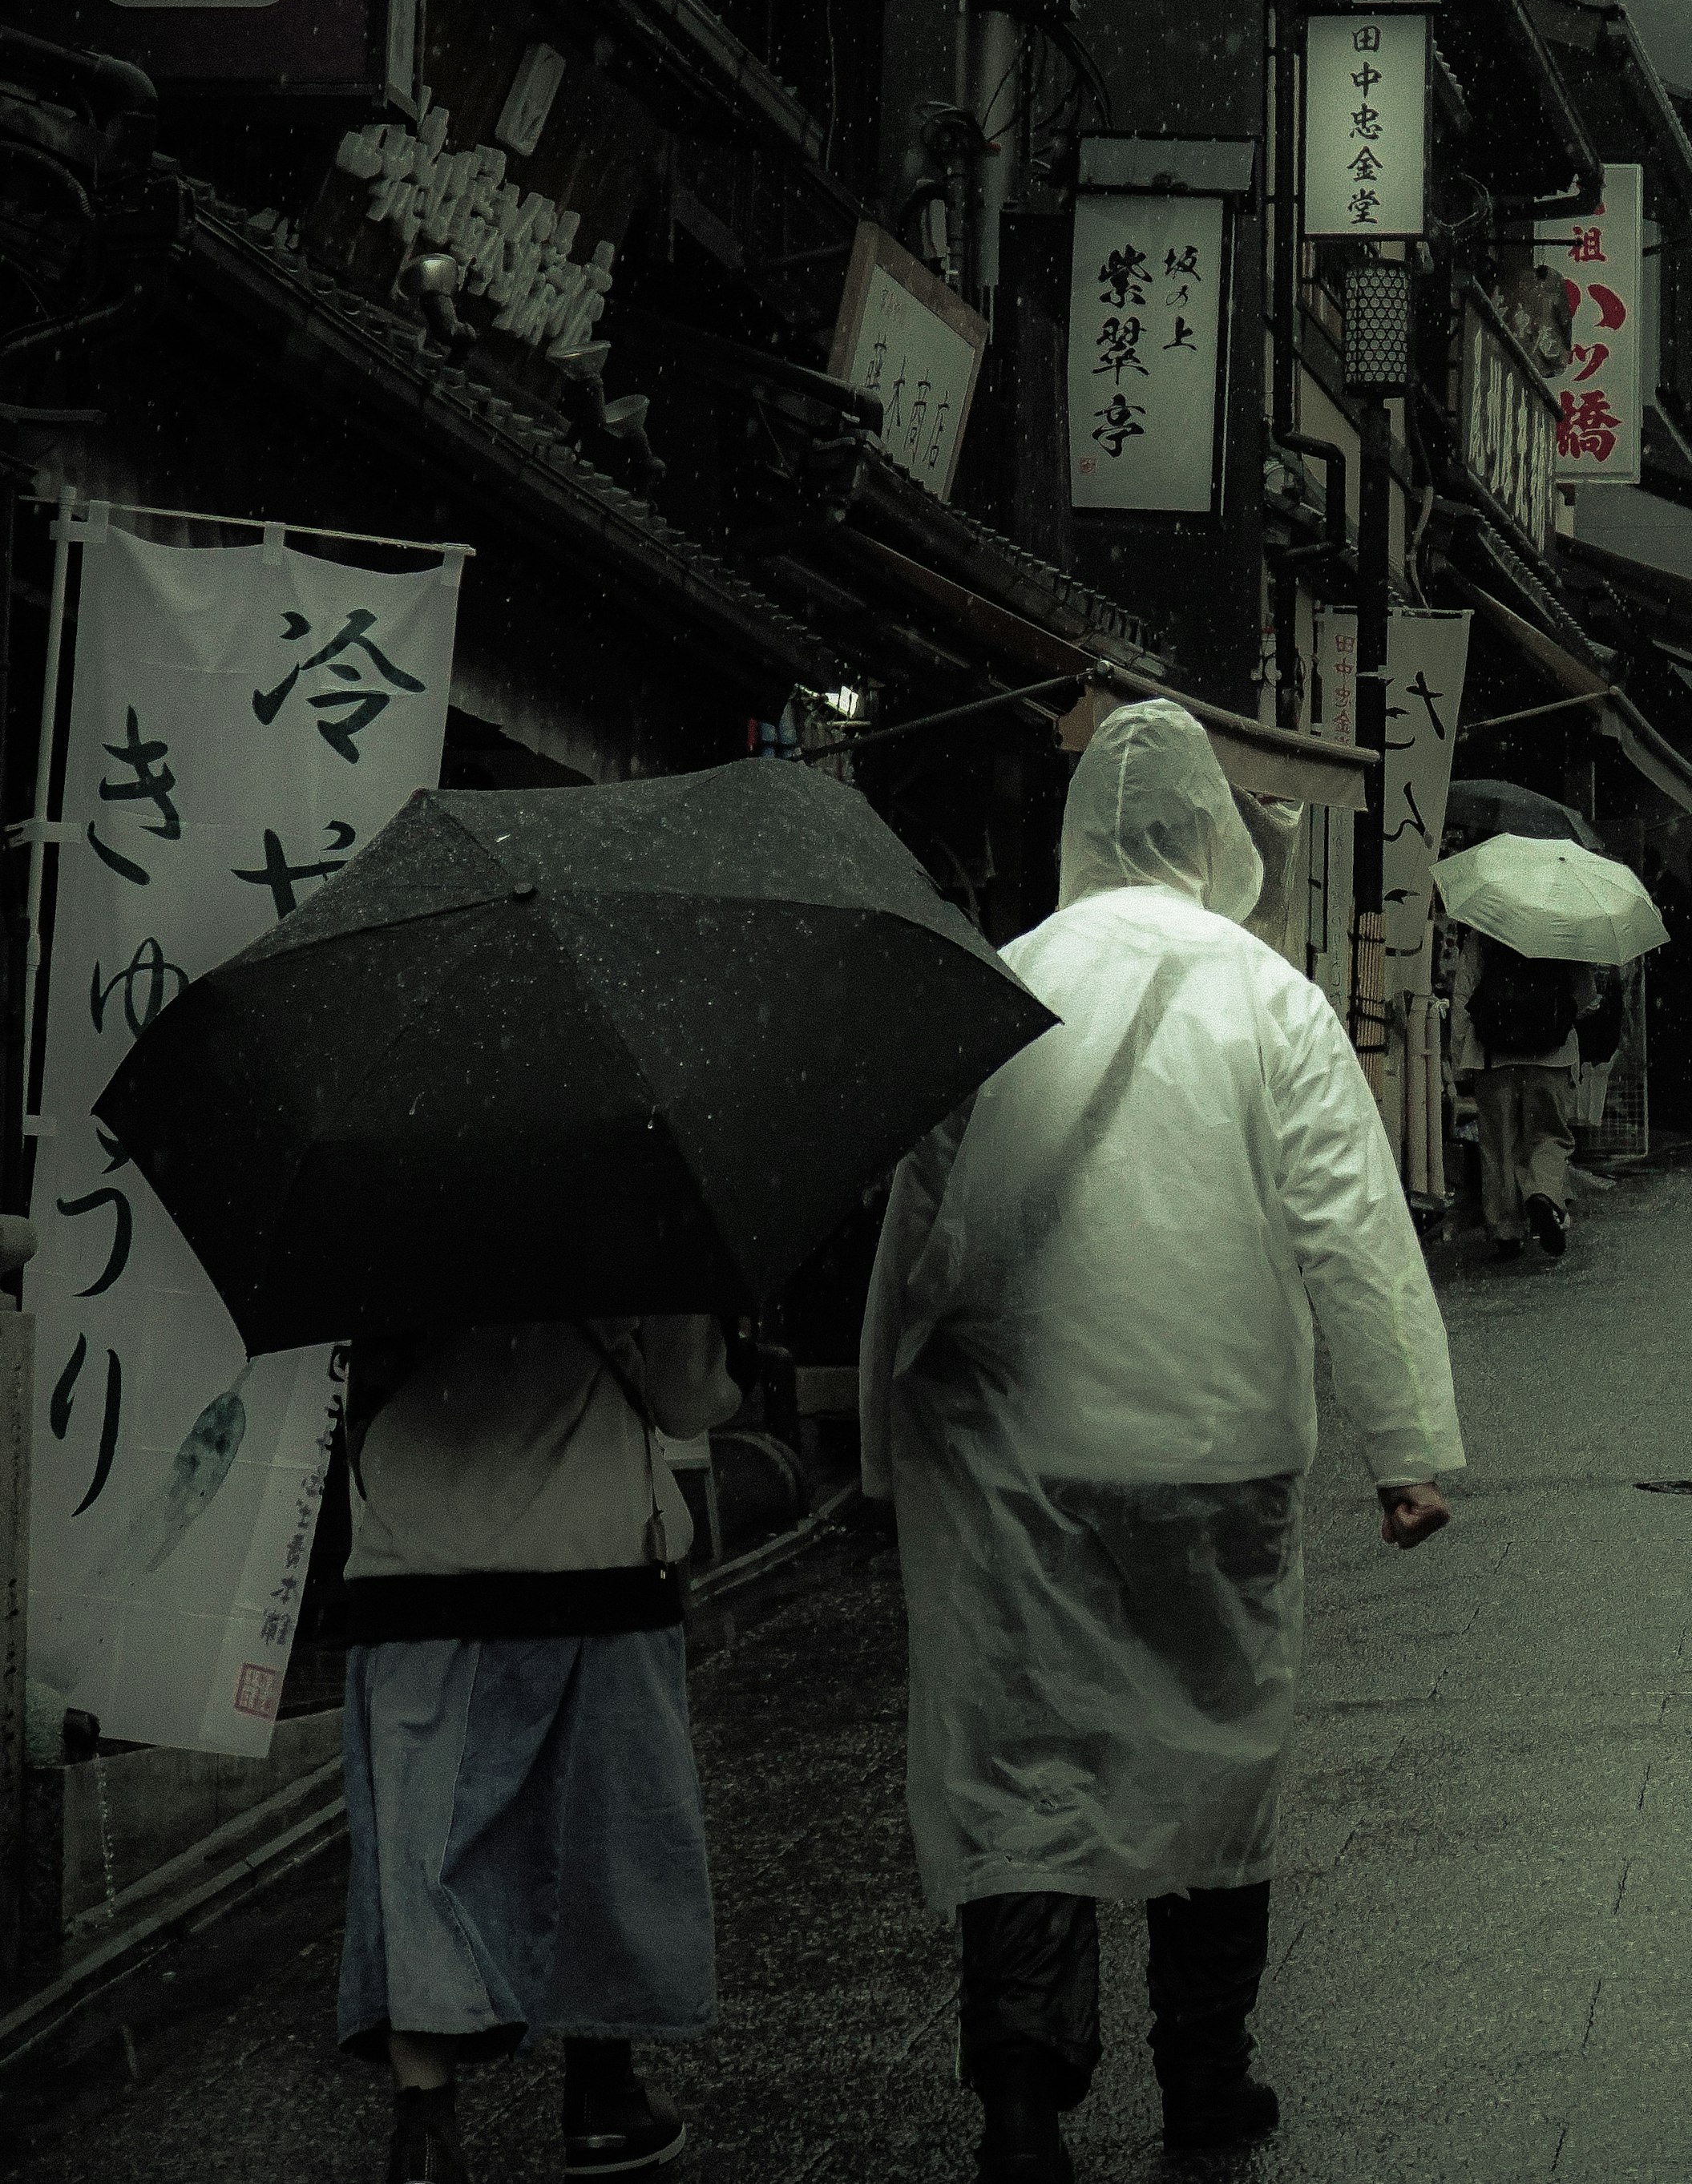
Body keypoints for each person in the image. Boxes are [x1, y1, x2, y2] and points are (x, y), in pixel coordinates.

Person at [861, 700, 1462, 2183]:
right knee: (1218, 1749)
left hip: (1020, 1449)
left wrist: (882, 1437)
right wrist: (1405, 1443)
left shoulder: (1000, 986)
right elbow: (1348, 1225)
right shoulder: (1272, 998)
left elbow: (914, 1237)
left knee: (1026, 1754)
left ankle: (1023, 2084)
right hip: (1219, 1441)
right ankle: (1206, 2074)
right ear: (1213, 833)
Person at [337, 1313, 745, 2184]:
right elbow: (685, 1398)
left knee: (426, 1844)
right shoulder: (632, 1198)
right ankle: (603, 2096)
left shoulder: (391, 1202)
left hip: (417, 1559)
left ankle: (425, 2127)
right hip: (592, 1553)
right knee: (606, 1831)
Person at [1453, 922, 1598, 1257]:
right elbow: (1586, 992)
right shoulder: (1564, 928)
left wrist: (1459, 1058)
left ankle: (1506, 1231)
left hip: (1494, 1053)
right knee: (1549, 1135)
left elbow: (1463, 993)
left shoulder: (1485, 930)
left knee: (1500, 1143)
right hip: (1551, 1055)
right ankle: (1542, 1194)